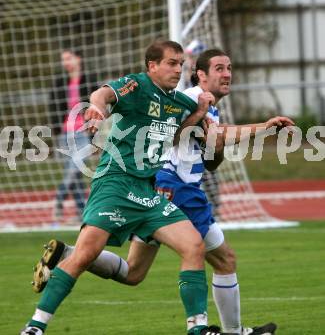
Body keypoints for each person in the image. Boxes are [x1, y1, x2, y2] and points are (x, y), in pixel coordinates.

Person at [30, 48, 293, 334]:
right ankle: (225, 330)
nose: (227, 74)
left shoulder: (194, 104)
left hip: (154, 188)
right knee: (222, 257)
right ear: (201, 75)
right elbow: (103, 94)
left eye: (229, 68)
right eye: (219, 69)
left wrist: (214, 136)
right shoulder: (189, 98)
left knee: (133, 272)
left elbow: (210, 157)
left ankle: (67, 255)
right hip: (173, 187)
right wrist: (262, 128)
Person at [21, 40, 221, 335]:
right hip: (115, 184)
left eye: (181, 64)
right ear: (152, 66)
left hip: (148, 192)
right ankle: (35, 327)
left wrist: (201, 109)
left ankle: (198, 328)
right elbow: (103, 93)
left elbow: (178, 133)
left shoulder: (177, 101)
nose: (178, 69)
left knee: (193, 246)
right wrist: (98, 110)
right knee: (84, 256)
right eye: (171, 63)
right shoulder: (137, 86)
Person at [49, 49, 97, 222]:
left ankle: (58, 201)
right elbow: (53, 106)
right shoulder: (60, 82)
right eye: (63, 60)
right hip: (66, 133)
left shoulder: (89, 81)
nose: (66, 63)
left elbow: (97, 107)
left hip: (83, 133)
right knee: (75, 175)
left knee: (73, 170)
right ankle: (81, 212)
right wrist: (57, 129)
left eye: (69, 58)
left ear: (78, 59)